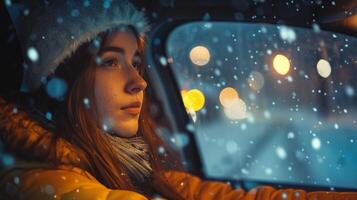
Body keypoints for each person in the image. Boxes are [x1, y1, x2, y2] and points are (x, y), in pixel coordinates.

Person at [0, 1, 356, 199]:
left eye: (136, 63)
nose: (138, 82)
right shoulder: (47, 186)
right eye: (111, 62)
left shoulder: (127, 170)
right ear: (62, 83)